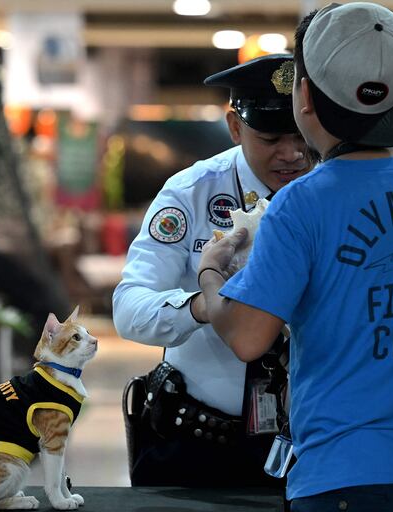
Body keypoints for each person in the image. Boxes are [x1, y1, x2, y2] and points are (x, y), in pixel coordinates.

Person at [197, 3, 393, 510]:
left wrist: (212, 272)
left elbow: (247, 336)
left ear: (304, 95)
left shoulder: (300, 204)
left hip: (343, 478)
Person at [112, 54, 313, 490]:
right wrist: (203, 306)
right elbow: (129, 307)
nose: (293, 153)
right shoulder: (192, 194)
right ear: (235, 127)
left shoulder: (331, 191)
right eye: (272, 137)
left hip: (311, 444)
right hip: (199, 445)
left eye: (302, 136)